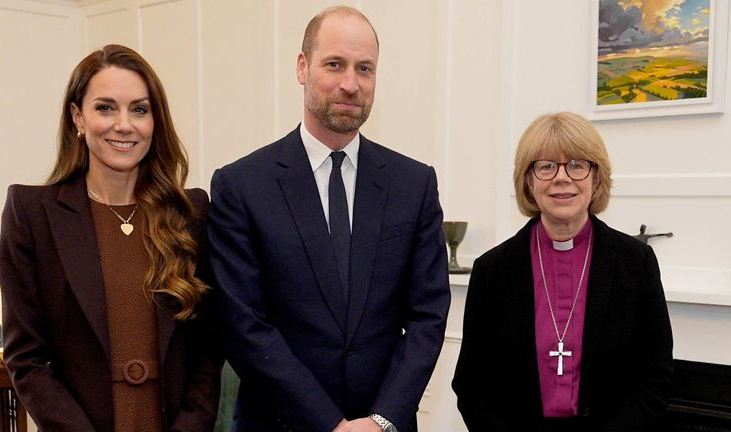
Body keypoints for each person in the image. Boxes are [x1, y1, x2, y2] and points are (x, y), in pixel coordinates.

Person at [204, 6, 450, 432]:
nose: (350, 84)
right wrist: (330, 424)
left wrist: (381, 420)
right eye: (334, 64)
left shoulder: (415, 185)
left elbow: (429, 316)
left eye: (365, 68)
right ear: (302, 67)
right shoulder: (241, 186)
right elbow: (244, 324)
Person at [0, 44, 219, 432]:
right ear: (77, 118)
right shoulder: (31, 213)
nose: (124, 124)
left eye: (139, 109)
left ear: (155, 121)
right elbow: (26, 358)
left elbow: (208, 346)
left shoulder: (191, 213)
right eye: (105, 107)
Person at [452, 112, 674, 431]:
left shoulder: (636, 262)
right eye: (546, 166)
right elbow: (472, 383)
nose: (562, 178)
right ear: (528, 180)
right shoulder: (493, 270)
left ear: (596, 177)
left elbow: (656, 377)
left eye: (577, 164)